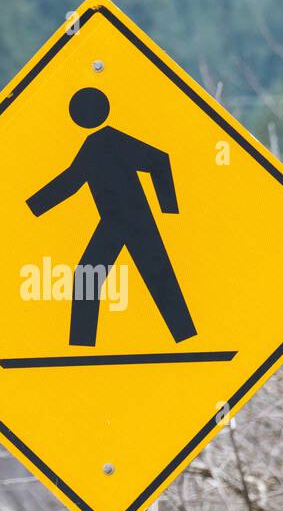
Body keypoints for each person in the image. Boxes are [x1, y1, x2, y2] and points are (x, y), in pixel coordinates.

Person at [27, 87, 197, 348]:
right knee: (89, 276)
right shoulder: (94, 144)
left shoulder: (112, 140)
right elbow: (72, 180)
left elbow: (159, 161)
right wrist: (34, 206)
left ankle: (187, 339)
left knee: (157, 277)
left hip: (136, 218)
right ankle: (81, 346)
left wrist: (169, 209)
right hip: (114, 221)